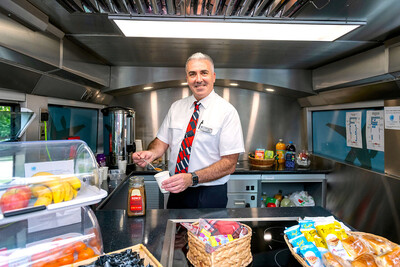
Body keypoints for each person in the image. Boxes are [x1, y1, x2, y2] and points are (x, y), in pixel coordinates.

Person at [132, 52, 244, 209]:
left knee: (204, 235)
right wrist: (151, 153)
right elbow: (162, 141)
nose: (198, 79)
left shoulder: (227, 112)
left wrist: (192, 178)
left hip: (210, 194)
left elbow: (229, 164)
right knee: (174, 233)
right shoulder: (176, 107)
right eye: (192, 74)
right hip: (177, 189)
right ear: (187, 79)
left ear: (213, 76)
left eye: (203, 73)